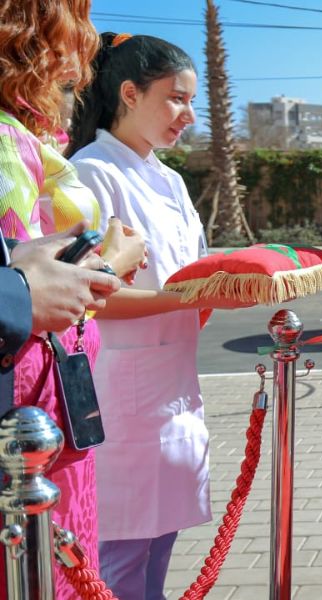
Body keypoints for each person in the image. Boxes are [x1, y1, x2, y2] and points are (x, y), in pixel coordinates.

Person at [67, 33, 248, 600]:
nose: (188, 116)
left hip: (174, 391)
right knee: (117, 560)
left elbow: (190, 274)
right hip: (118, 394)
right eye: (175, 99)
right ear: (128, 93)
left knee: (159, 548)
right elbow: (85, 293)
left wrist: (228, 285)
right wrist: (188, 299)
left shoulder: (169, 180)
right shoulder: (90, 172)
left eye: (192, 102)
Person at [0, 5, 144, 597]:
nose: (76, 78)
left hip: (53, 396)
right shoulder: (12, 143)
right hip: (25, 402)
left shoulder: (32, 141)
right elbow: (34, 278)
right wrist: (110, 265)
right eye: (66, 58)